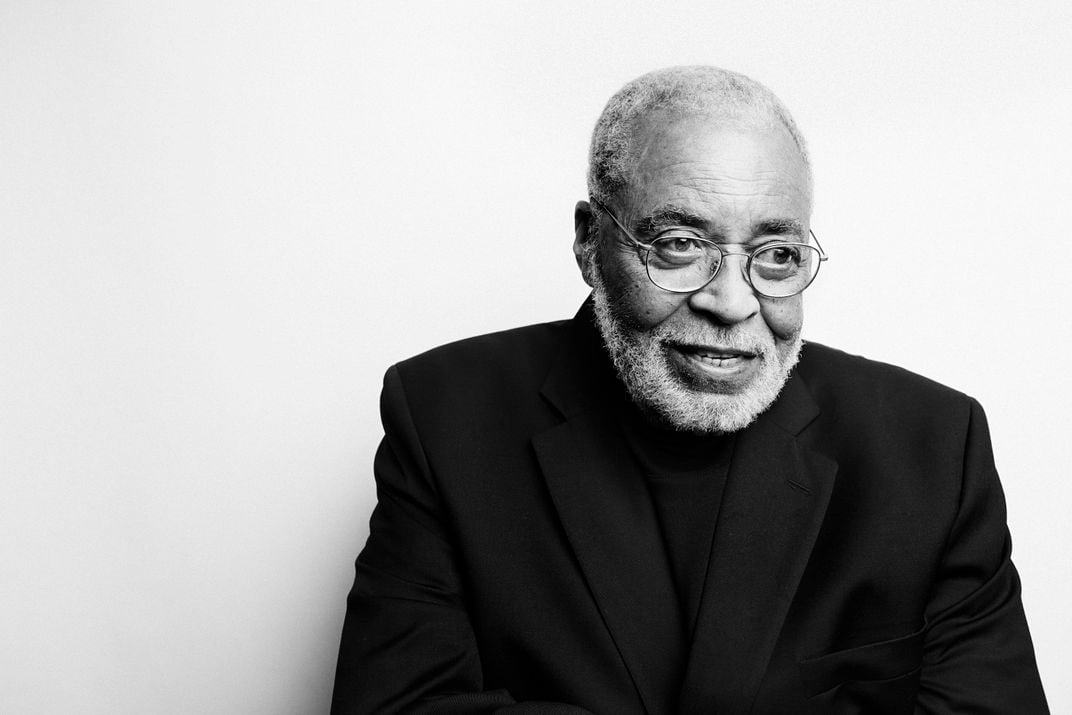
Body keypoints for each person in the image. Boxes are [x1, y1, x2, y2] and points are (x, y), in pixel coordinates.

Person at [331, 66, 1048, 713]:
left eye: (775, 255)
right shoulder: (444, 418)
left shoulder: (932, 449)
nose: (733, 302)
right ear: (589, 243)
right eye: (679, 243)